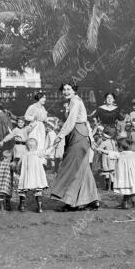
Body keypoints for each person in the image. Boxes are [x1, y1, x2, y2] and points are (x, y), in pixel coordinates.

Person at [51, 83, 99, 211]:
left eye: (68, 89)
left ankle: (70, 202)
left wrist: (60, 135)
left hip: (78, 135)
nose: (65, 91)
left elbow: (71, 121)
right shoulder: (72, 102)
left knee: (72, 166)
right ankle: (92, 200)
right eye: (64, 89)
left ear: (74, 90)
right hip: (78, 135)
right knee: (83, 168)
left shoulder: (75, 101)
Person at [96, 136, 135, 209]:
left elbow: (108, 152)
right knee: (132, 189)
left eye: (117, 146)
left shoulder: (120, 154)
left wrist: (99, 149)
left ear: (120, 147)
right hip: (134, 176)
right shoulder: (134, 154)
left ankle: (127, 204)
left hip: (125, 176)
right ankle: (134, 203)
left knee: (127, 190)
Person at [17, 138, 53, 213]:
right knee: (38, 190)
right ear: (36, 146)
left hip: (27, 177)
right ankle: (39, 207)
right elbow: (47, 153)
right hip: (37, 177)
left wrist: (18, 171)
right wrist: (53, 145)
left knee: (23, 190)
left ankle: (22, 206)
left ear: (26, 147)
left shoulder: (24, 155)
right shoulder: (38, 153)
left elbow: (19, 164)